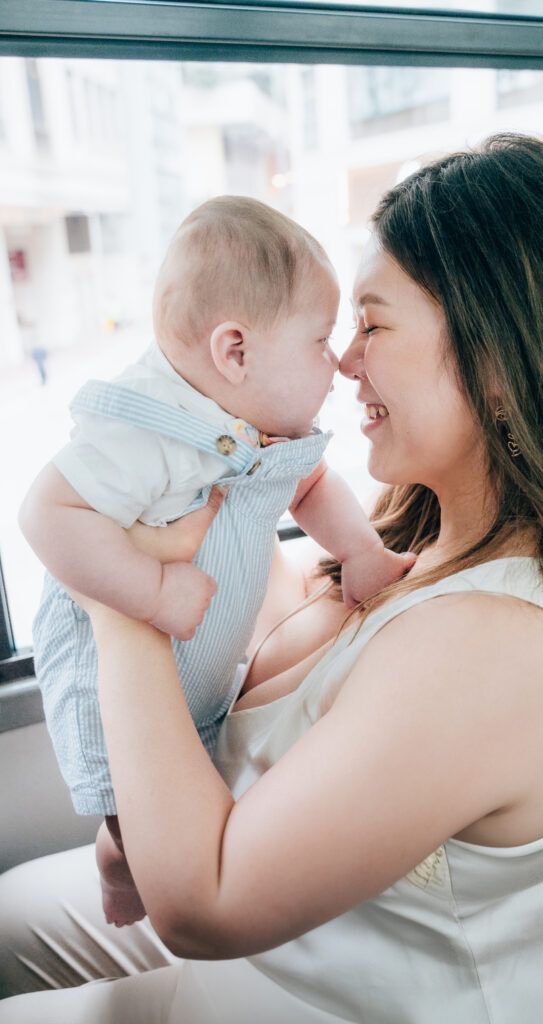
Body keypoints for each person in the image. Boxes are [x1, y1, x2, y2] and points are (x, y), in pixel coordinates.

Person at [0, 133, 543, 1024]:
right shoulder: (419, 534)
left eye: (372, 324)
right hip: (293, 955)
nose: (344, 360)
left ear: (499, 365)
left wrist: (113, 584)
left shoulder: (504, 648)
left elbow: (202, 906)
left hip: (289, 969)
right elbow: (263, 617)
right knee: (9, 913)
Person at [17, 196, 414, 928]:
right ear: (235, 352)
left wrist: (361, 552)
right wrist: (150, 587)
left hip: (199, 670)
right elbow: (47, 514)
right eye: (321, 341)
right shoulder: (143, 429)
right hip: (116, 689)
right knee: (140, 824)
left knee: (192, 788)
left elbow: (312, 484)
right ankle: (115, 856)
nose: (339, 365)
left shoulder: (262, 428)